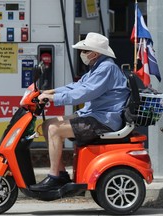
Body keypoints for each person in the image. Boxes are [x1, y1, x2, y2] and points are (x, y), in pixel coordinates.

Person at [30, 32, 130, 192]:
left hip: (103, 121)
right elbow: (76, 86)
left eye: (85, 51)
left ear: (95, 53)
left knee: (54, 129)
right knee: (47, 124)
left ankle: (54, 177)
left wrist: (53, 98)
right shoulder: (97, 67)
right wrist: (50, 91)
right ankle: (61, 173)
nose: (82, 54)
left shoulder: (106, 68)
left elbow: (84, 93)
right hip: (94, 115)